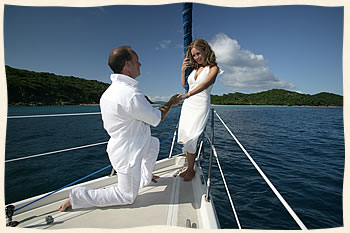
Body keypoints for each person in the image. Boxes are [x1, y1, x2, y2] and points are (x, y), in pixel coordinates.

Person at [59, 46, 181, 211]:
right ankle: (78, 197)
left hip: (135, 144)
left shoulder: (109, 93)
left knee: (154, 144)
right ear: (127, 64)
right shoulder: (131, 94)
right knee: (127, 196)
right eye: (137, 61)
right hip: (128, 153)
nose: (141, 64)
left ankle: (145, 178)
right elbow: (156, 118)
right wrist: (171, 103)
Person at [177, 39, 221, 182]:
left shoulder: (213, 68)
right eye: (194, 55)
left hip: (200, 104)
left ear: (206, 51)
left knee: (193, 135)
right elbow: (186, 85)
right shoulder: (194, 69)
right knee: (186, 135)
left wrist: (188, 94)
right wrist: (183, 70)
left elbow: (205, 84)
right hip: (188, 105)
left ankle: (191, 170)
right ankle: (189, 167)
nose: (196, 57)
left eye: (198, 54)